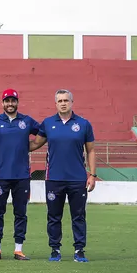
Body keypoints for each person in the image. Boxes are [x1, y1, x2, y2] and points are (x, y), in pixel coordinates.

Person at [30, 90, 97, 262]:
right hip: (54, 179)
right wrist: (12, 143)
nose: (63, 103)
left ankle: (79, 250)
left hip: (78, 179)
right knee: (53, 216)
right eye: (60, 100)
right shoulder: (48, 123)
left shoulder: (83, 124)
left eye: (66, 100)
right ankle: (55, 249)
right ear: (56, 103)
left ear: (72, 102)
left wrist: (92, 175)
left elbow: (91, 150)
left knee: (79, 216)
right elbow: (35, 144)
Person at [0, 89, 41, 260]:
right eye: (7, 101)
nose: (10, 104)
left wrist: (29, 147)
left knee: (20, 212)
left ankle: (18, 249)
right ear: (2, 103)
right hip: (0, 175)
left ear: (17, 102)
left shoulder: (27, 121)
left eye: (13, 101)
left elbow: (43, 134)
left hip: (22, 176)